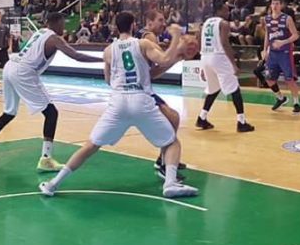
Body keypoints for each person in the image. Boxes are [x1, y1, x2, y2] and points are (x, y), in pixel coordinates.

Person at [39, 12, 197, 199]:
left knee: (90, 146)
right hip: (141, 99)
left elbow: (107, 79)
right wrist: (177, 37)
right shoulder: (142, 44)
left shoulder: (108, 51)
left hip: (118, 102)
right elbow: (163, 60)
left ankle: (53, 184)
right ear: (133, 26)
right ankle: (170, 183)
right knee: (171, 143)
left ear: (116, 27)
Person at [0, 13, 103, 171]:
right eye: (62, 24)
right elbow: (76, 56)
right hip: (24, 71)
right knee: (51, 113)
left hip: (11, 66)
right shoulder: (54, 38)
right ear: (56, 24)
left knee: (9, 113)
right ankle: (46, 159)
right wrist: (104, 59)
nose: (64, 28)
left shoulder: (40, 31)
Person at [139, 10, 188, 180]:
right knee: (172, 118)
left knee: (172, 118)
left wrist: (177, 57)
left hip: (142, 88)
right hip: (138, 91)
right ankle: (164, 164)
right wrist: (178, 48)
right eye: (160, 20)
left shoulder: (148, 37)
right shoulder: (149, 38)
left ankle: (165, 158)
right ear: (149, 22)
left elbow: (153, 73)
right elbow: (162, 62)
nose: (164, 23)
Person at [196, 0, 254, 133]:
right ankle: (241, 122)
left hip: (206, 56)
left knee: (214, 88)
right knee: (235, 88)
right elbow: (225, 43)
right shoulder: (223, 23)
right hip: (219, 57)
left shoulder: (205, 23)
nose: (228, 12)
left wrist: (202, 65)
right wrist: (233, 64)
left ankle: (202, 118)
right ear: (220, 9)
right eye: (226, 9)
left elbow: (199, 42)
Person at [262, 0, 300, 113]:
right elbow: (267, 35)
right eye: (273, 3)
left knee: (289, 79)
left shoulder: (287, 18)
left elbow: (296, 35)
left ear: (281, 5)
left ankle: (296, 102)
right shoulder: (267, 19)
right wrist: (265, 49)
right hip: (273, 54)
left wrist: (283, 42)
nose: (274, 6)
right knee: (269, 79)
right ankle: (280, 98)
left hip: (284, 53)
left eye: (277, 4)